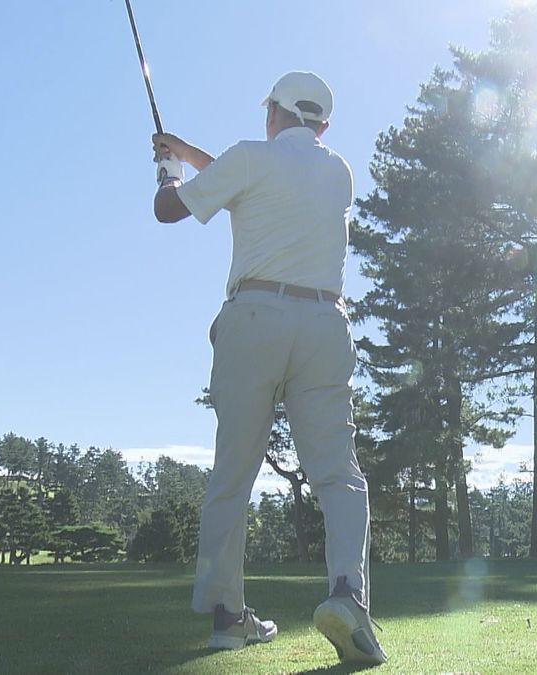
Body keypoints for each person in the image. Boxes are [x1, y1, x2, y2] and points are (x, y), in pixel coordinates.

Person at [150, 71, 387, 665]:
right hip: (325, 324)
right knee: (339, 475)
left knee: (233, 475)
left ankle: (228, 619)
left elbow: (167, 211)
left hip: (253, 317)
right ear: (323, 125)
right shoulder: (338, 172)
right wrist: (190, 151)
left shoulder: (249, 160)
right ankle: (347, 596)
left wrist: (170, 169)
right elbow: (253, 172)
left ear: (273, 114)